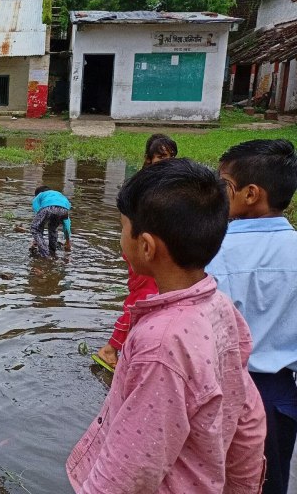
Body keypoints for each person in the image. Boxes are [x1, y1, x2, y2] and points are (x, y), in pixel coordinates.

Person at [67, 158, 266, 493]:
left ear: (146, 246)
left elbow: (129, 471)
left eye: (121, 229)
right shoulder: (220, 307)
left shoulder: (160, 343)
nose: (120, 240)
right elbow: (248, 420)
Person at [206, 139, 297, 494]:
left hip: (225, 391)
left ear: (250, 194)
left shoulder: (215, 251)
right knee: (271, 481)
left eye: (223, 185)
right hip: (280, 397)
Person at [94, 133, 178, 369]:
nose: (167, 161)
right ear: (148, 158)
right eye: (161, 156)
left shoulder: (169, 184)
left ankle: (138, 345)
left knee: (153, 297)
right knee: (142, 297)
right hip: (142, 249)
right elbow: (128, 219)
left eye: (171, 156)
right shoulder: (140, 186)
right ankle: (111, 348)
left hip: (159, 248)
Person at [30, 186, 71, 257]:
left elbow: (38, 219)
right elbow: (66, 224)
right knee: (53, 228)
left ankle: (45, 253)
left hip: (48, 207)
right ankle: (52, 252)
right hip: (64, 210)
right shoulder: (59, 195)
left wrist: (37, 240)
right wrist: (68, 242)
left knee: (35, 228)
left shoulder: (40, 195)